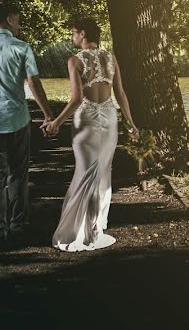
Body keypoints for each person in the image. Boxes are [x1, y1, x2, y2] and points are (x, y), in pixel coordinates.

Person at [42, 17, 140, 251]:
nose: (71, 37)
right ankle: (94, 229)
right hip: (108, 117)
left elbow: (77, 99)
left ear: (83, 34)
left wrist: (56, 122)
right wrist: (131, 124)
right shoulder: (111, 58)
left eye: (73, 32)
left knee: (85, 172)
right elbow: (121, 94)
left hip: (86, 119)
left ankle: (80, 231)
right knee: (103, 172)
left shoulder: (75, 60)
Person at [0, 4, 53, 245]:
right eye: (18, 20)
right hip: (17, 120)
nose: (20, 24)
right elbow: (33, 83)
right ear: (8, 19)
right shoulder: (22, 48)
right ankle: (18, 224)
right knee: (18, 173)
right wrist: (48, 114)